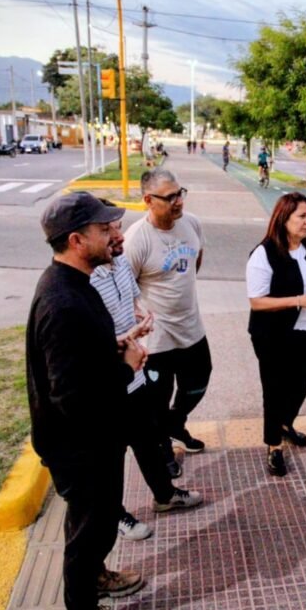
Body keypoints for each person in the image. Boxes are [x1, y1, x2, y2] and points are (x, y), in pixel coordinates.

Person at [25, 192, 146, 610]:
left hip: (94, 437)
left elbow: (79, 360)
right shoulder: (62, 301)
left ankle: (95, 576)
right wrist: (126, 368)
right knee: (87, 533)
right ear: (77, 240)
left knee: (96, 527)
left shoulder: (76, 282)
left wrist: (114, 346)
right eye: (104, 229)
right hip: (79, 445)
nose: (115, 235)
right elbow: (72, 396)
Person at [89, 212, 204, 541]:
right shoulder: (85, 279)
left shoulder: (119, 263)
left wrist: (139, 313)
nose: (119, 235)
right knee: (110, 456)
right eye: (107, 230)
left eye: (117, 227)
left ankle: (165, 495)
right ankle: (114, 515)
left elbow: (131, 296)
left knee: (148, 438)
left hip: (134, 371)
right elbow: (87, 339)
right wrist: (124, 340)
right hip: (109, 379)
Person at [246, 192, 306, 476]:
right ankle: (274, 445)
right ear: (284, 218)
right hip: (274, 335)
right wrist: (297, 300)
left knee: (301, 385)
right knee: (275, 390)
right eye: (302, 216)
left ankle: (285, 424)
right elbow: (256, 301)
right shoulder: (264, 253)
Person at [125, 169, 210, 459]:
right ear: (149, 200)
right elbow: (126, 288)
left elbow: (196, 260)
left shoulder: (192, 223)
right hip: (156, 338)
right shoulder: (137, 239)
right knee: (157, 399)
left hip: (191, 327)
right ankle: (164, 452)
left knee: (198, 382)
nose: (179, 201)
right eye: (170, 197)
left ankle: (176, 424)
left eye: (180, 193)